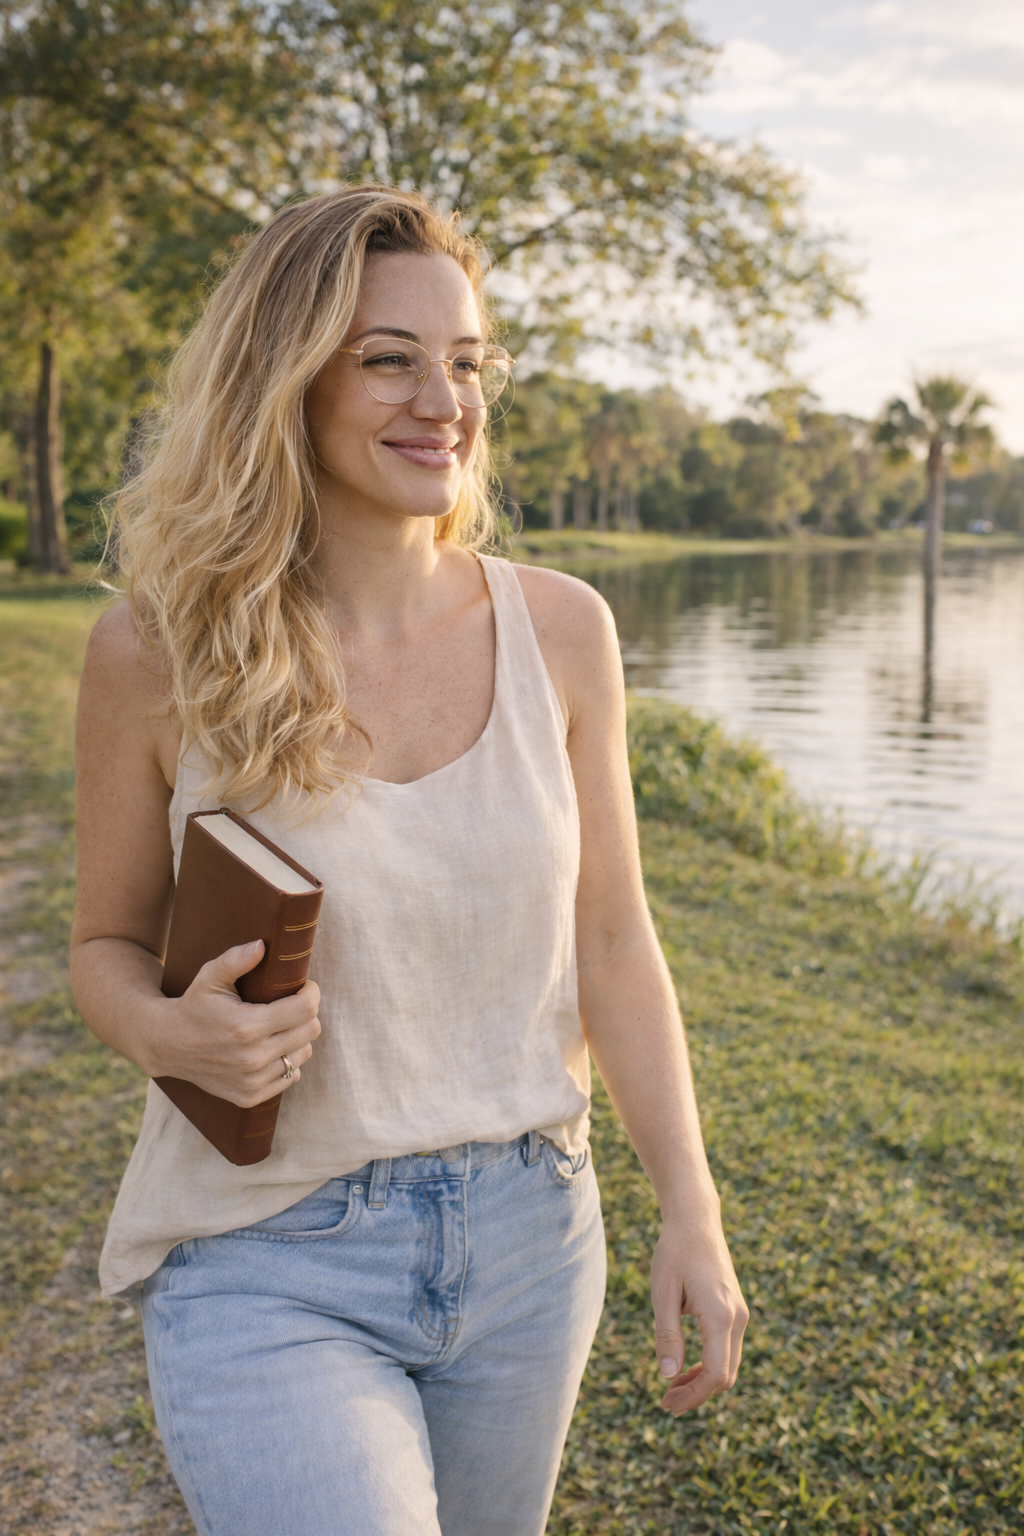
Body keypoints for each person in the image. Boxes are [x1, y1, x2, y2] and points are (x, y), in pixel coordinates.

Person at [71, 186, 748, 1536]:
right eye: (389, 358)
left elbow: (613, 937)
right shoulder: (153, 651)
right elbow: (102, 945)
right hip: (265, 1253)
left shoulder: (564, 630)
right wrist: (167, 1032)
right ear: (289, 378)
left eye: (466, 362)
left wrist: (693, 1208)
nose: (444, 399)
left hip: (529, 1247)